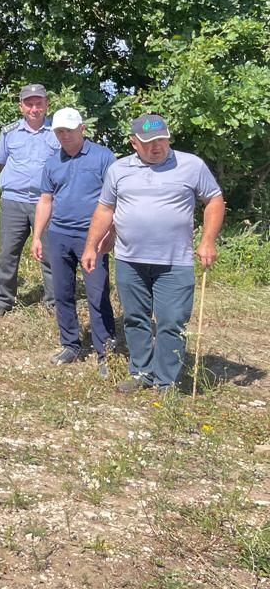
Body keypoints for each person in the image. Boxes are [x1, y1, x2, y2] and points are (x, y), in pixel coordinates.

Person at [82, 114, 225, 393]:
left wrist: (208, 240)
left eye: (161, 139)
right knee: (136, 318)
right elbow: (105, 209)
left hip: (175, 262)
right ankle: (141, 372)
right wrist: (91, 245)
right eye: (149, 141)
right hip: (129, 260)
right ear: (134, 143)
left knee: (172, 320)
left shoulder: (191, 165)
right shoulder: (119, 169)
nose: (157, 146)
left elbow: (214, 200)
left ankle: (166, 380)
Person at [30, 108, 117, 378]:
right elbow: (46, 199)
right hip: (58, 235)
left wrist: (110, 233)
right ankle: (70, 344)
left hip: (92, 237)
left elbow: (116, 198)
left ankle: (106, 351)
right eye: (59, 131)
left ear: (82, 129)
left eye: (68, 130)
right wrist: (37, 236)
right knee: (62, 292)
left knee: (97, 292)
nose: (64, 136)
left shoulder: (104, 157)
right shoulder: (53, 161)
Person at [0, 83, 60, 315]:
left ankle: (55, 303)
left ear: (46, 105)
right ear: (21, 107)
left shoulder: (57, 132)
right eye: (29, 104)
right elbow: (1, 163)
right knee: (7, 254)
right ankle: (2, 302)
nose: (34, 108)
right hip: (14, 201)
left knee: (50, 254)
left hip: (47, 201)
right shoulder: (9, 132)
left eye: (38, 103)